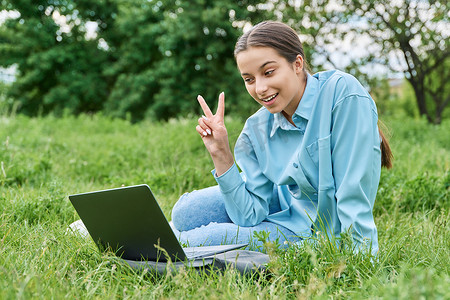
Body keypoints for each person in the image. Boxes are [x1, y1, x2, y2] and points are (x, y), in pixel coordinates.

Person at [170, 21, 392, 255]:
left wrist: (362, 261)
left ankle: (151, 243)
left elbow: (353, 192)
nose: (260, 88)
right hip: (280, 200)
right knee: (185, 211)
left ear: (297, 64)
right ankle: (152, 238)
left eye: (268, 72)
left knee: (203, 239)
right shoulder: (256, 129)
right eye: (249, 79)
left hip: (311, 231)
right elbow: (248, 215)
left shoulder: (342, 95)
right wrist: (220, 153)